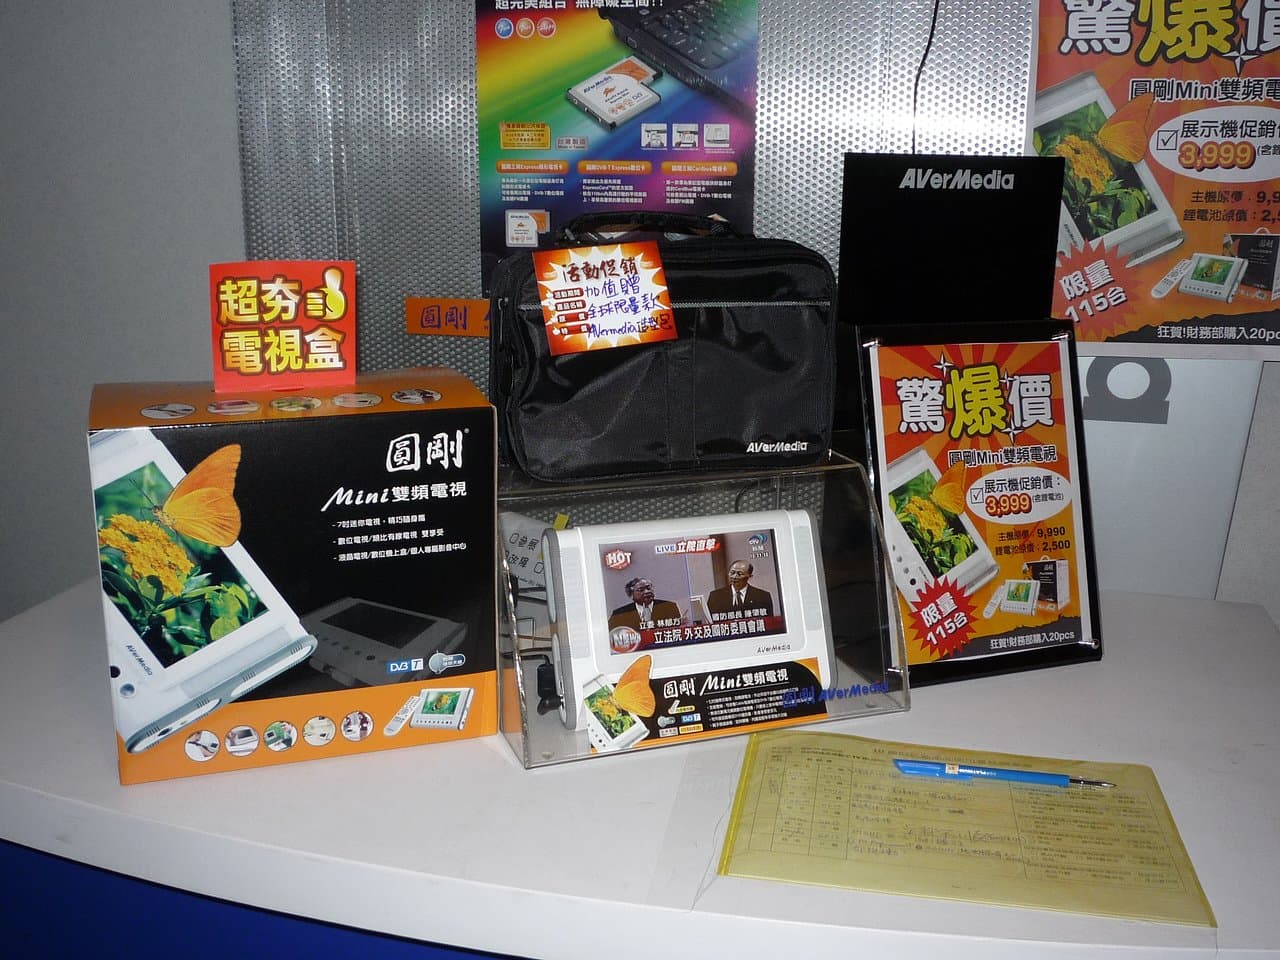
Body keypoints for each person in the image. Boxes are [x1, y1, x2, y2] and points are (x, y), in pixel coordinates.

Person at [706, 560, 774, 619]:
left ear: (750, 576)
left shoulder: (763, 596)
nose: (734, 577)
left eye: (740, 574)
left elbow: (769, 622)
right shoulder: (715, 596)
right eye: (732, 573)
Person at [608, 577, 682, 631]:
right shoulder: (619, 614)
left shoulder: (669, 606)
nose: (647, 592)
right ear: (631, 595)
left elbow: (678, 629)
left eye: (648, 588)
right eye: (641, 590)